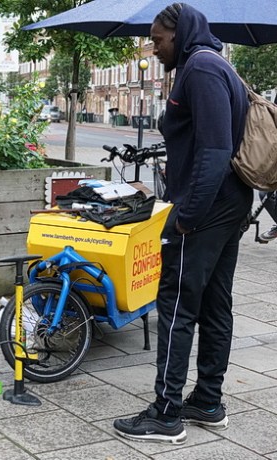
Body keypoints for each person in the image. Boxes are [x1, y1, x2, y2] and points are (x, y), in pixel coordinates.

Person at [113, 3, 253, 444]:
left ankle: (167, 412)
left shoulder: (202, 70)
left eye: (158, 39)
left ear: (180, 33)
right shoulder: (211, 65)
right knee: (214, 304)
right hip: (227, 203)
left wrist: (186, 217)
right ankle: (207, 402)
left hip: (206, 207)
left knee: (175, 305)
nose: (153, 48)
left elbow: (215, 149)